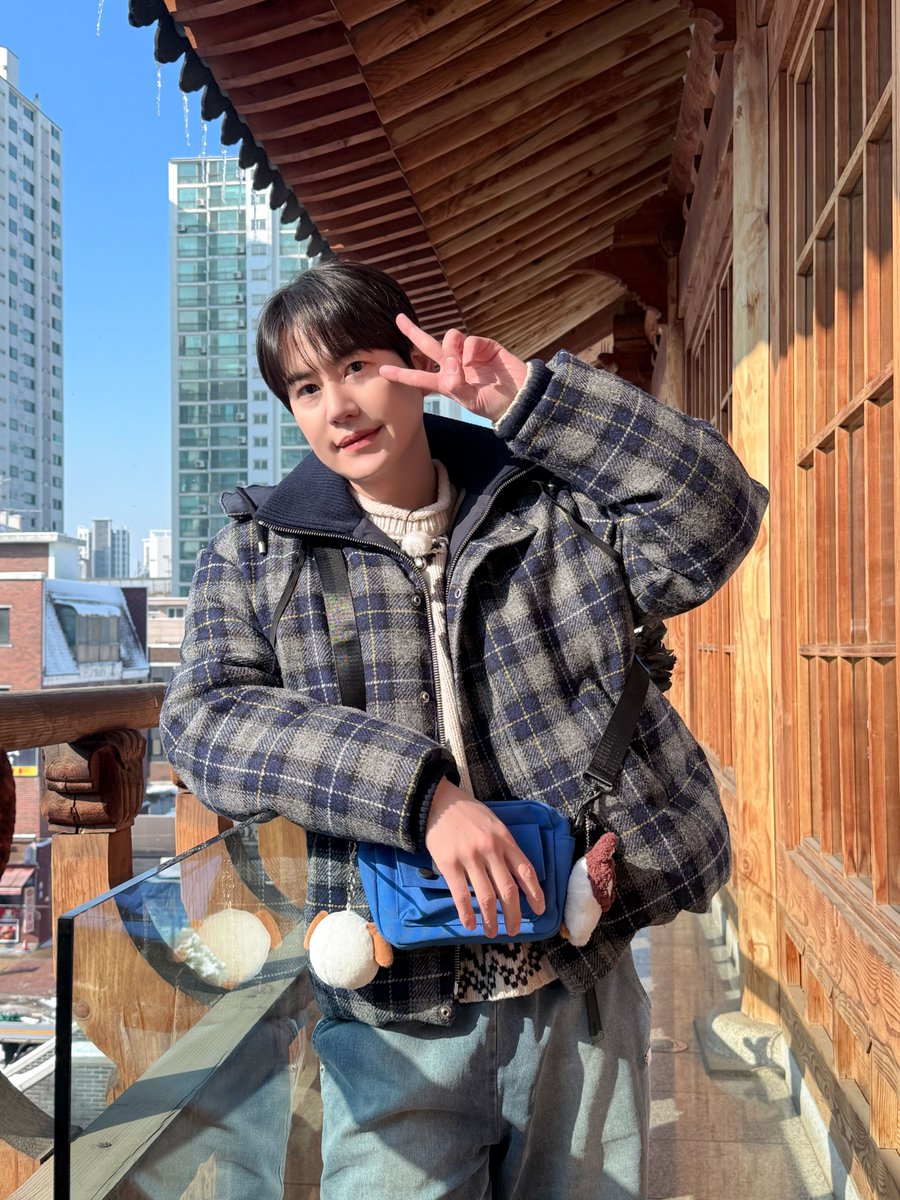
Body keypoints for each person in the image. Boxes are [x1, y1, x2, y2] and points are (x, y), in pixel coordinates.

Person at [160, 260, 768, 1199]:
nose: (339, 407)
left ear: (411, 362)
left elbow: (718, 515)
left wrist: (531, 401)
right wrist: (422, 798)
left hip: (578, 978)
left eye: (358, 366)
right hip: (391, 1004)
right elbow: (202, 721)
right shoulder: (261, 551)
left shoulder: (546, 504)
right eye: (306, 388)